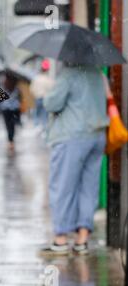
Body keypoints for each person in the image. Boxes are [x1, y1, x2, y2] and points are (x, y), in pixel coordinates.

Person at [40, 64, 109, 256]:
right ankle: (82, 239)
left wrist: (49, 92)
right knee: (89, 186)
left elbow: (51, 104)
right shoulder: (97, 73)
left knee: (62, 186)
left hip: (71, 136)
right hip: (96, 135)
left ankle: (61, 238)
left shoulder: (68, 75)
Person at [29, 59, 55, 130]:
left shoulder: (36, 78)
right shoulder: (48, 79)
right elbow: (52, 89)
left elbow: (32, 89)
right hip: (45, 98)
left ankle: (37, 126)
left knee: (37, 112)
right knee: (44, 114)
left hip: (37, 98)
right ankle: (44, 126)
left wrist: (35, 94)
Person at [0, 73, 21, 153]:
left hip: (5, 108)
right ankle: (11, 140)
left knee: (8, 124)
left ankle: (10, 140)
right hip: (14, 108)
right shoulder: (16, 87)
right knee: (12, 124)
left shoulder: (4, 86)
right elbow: (19, 98)